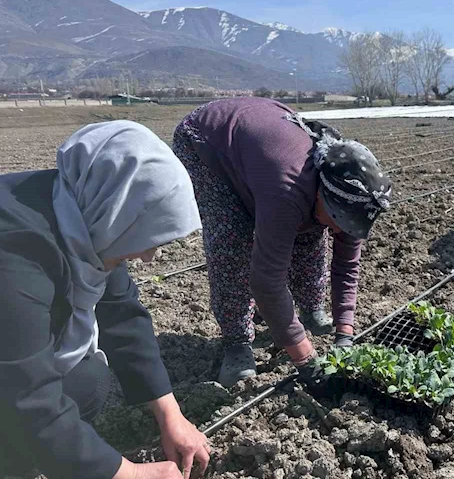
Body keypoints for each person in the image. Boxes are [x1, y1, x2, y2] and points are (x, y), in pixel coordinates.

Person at [0, 121, 210, 479]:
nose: (148, 257)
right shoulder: (15, 252)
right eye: (144, 236)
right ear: (118, 211)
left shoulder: (86, 214)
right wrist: (128, 473)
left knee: (88, 378)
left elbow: (123, 313)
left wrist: (170, 414)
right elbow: (24, 392)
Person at [173, 98, 391, 387]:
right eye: (339, 219)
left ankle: (311, 310)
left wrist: (345, 335)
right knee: (233, 242)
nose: (342, 230)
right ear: (321, 193)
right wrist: (305, 357)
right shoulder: (288, 191)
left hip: (263, 146)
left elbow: (347, 266)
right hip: (207, 142)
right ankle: (236, 342)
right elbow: (266, 281)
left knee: (312, 229)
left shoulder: (354, 195)